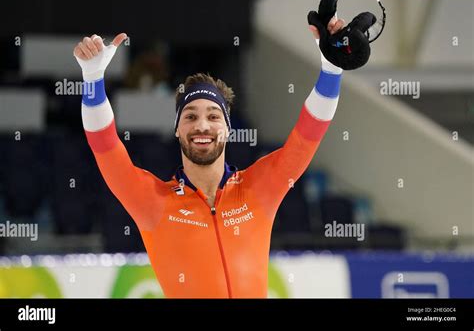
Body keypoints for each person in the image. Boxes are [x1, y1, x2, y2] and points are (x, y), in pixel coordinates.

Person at [73, 16, 346, 298]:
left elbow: (309, 132)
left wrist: (331, 68)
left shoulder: (260, 188)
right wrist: (93, 79)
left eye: (213, 116)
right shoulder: (151, 201)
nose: (202, 126)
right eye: (190, 116)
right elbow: (104, 145)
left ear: (227, 129)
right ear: (177, 129)